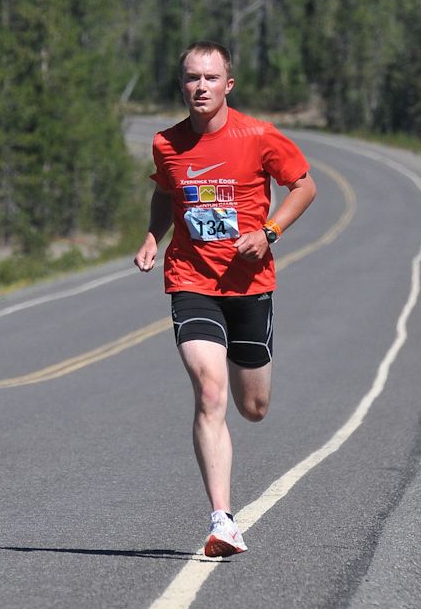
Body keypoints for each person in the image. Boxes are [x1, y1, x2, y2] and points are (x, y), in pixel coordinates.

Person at [134, 40, 317, 557]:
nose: (201, 88)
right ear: (181, 84)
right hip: (191, 279)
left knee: (253, 406)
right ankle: (222, 520)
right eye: (192, 78)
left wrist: (271, 232)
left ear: (228, 85)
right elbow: (166, 193)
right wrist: (153, 234)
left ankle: (225, 510)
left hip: (249, 285)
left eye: (211, 79)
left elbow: (304, 186)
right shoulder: (166, 144)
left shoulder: (258, 136)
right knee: (209, 392)